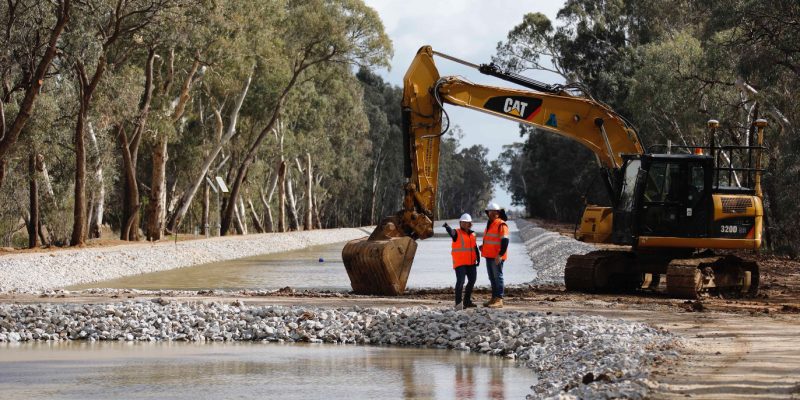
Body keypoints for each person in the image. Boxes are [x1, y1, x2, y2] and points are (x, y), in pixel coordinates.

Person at [443, 213, 480, 310]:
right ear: (460, 223)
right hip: (460, 263)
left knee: (472, 280)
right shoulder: (456, 232)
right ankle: (458, 304)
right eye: (462, 222)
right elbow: (452, 233)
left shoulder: (473, 234)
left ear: (470, 224)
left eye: (466, 223)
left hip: (471, 263)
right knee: (460, 282)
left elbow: (474, 247)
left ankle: (467, 301)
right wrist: (447, 227)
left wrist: (478, 258)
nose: (464, 224)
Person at [480, 202, 509, 308]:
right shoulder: (490, 224)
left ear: (498, 213)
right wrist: (483, 247)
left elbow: (505, 241)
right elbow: (490, 240)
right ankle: (494, 298)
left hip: (497, 257)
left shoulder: (501, 224)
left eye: (494, 212)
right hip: (489, 256)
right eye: (490, 212)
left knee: (498, 277)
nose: (491, 213)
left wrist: (500, 255)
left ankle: (499, 299)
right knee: (492, 278)